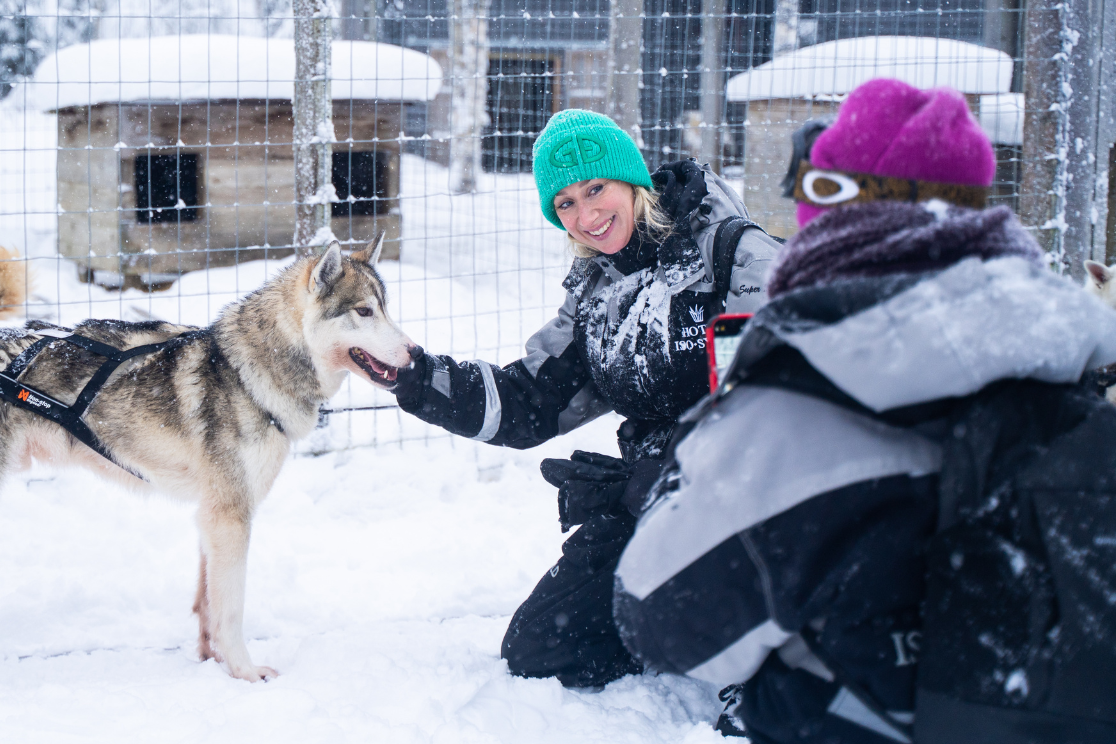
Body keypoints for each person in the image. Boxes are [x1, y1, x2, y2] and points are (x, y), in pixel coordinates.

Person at [613, 79, 1116, 742]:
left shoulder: (807, 399)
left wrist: (674, 486)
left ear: (838, 210)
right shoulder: (1083, 360)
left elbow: (662, 616)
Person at [392, 108, 783, 687]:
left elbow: (778, 406)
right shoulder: (600, 294)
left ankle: (768, 643)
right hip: (655, 497)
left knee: (767, 703)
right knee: (543, 646)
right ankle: (686, 624)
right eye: (566, 203)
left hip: (760, 501)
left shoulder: (730, 257)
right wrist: (416, 377)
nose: (587, 214)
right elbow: (527, 402)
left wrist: (674, 475)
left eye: (596, 188)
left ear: (632, 182)